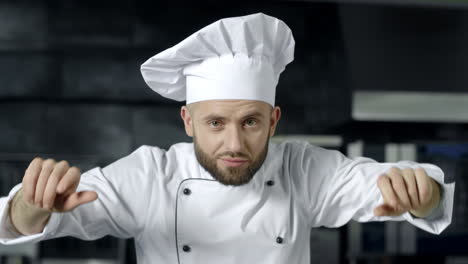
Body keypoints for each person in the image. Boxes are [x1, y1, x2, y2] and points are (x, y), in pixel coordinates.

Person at [0, 13, 454, 264]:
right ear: (187, 121)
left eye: (251, 122)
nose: (234, 143)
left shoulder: (302, 170)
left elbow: (407, 189)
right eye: (216, 123)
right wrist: (29, 207)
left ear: (274, 121)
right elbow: (22, 222)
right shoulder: (150, 176)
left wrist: (422, 194)